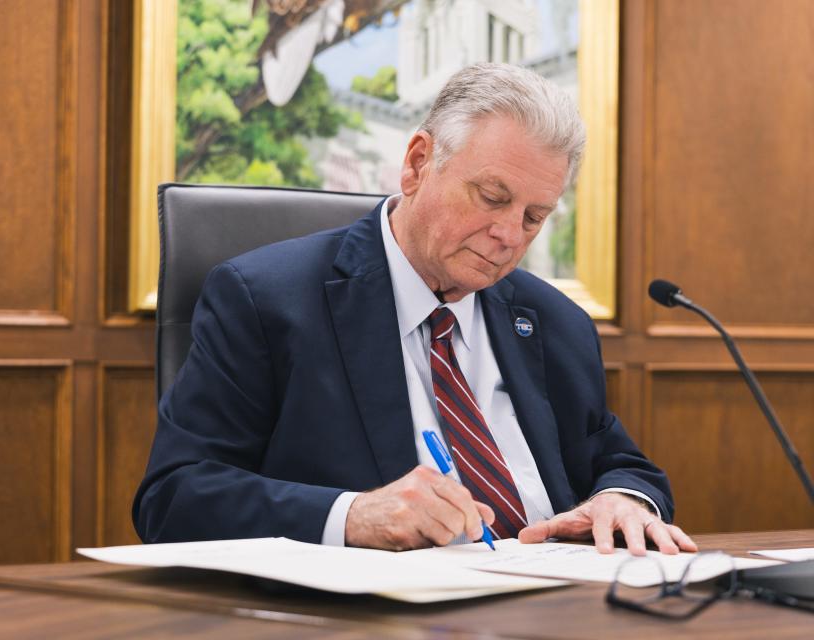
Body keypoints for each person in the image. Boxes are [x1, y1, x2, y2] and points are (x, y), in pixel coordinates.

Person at [133, 63, 697, 556]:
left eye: (534, 217)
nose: (507, 234)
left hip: (558, 607)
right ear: (418, 163)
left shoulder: (554, 322)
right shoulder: (265, 299)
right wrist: (354, 516)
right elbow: (175, 496)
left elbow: (622, 463)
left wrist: (621, 500)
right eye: (493, 197)